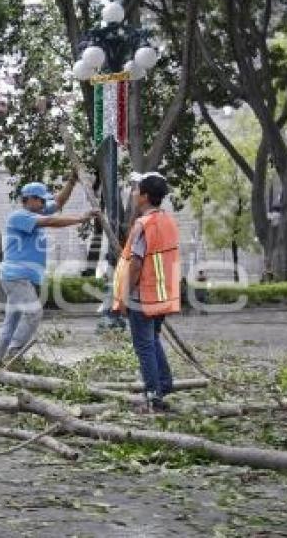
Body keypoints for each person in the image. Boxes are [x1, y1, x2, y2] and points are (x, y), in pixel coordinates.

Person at [0, 176, 98, 368]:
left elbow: (58, 202)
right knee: (34, 313)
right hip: (16, 277)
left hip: (20, 278)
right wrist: (81, 218)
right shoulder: (19, 217)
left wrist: (72, 182)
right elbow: (50, 220)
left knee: (11, 324)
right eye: (41, 200)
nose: (44, 203)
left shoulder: (36, 210)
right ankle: (12, 354)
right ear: (30, 199)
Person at [112, 173, 181, 412]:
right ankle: (164, 384)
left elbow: (137, 263)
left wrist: (123, 296)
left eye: (136, 190)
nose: (132, 194)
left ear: (144, 197)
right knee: (152, 342)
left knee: (144, 346)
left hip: (142, 295)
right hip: (161, 295)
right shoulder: (167, 221)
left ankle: (154, 398)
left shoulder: (144, 225)